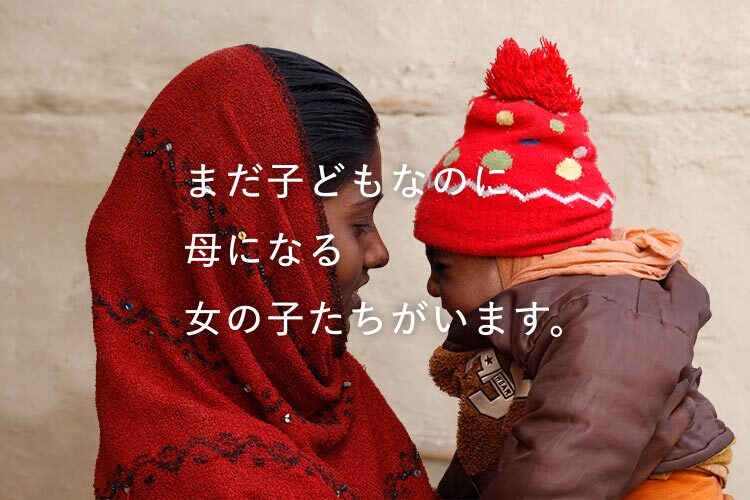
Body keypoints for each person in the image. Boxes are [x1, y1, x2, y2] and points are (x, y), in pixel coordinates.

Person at [86, 43, 696, 498]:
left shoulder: (330, 398)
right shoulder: (204, 476)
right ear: (264, 235)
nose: (379, 253)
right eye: (358, 224)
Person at [413, 38, 734, 499]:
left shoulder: (608, 316)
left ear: (511, 256)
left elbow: (556, 474)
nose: (430, 286)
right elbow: (487, 465)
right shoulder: (529, 327)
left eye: (442, 267)